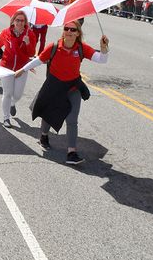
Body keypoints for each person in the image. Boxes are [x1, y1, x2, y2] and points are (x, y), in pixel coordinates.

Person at [15, 21, 109, 164]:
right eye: (66, 28)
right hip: (54, 86)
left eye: (73, 29)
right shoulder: (53, 47)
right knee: (48, 114)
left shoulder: (81, 48)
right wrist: (22, 70)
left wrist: (103, 48)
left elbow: (102, 60)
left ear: (78, 33)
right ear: (63, 31)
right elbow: (39, 60)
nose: (69, 31)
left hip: (73, 88)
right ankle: (44, 136)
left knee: (72, 120)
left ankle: (71, 153)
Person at [0, 10, 37, 128]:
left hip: (22, 69)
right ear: (13, 21)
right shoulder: (6, 32)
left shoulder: (30, 34)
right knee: (7, 93)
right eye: (17, 20)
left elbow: (32, 53)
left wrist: (27, 43)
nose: (20, 23)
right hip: (6, 67)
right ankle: (6, 118)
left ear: (25, 22)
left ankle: (12, 103)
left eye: (22, 21)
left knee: (17, 95)